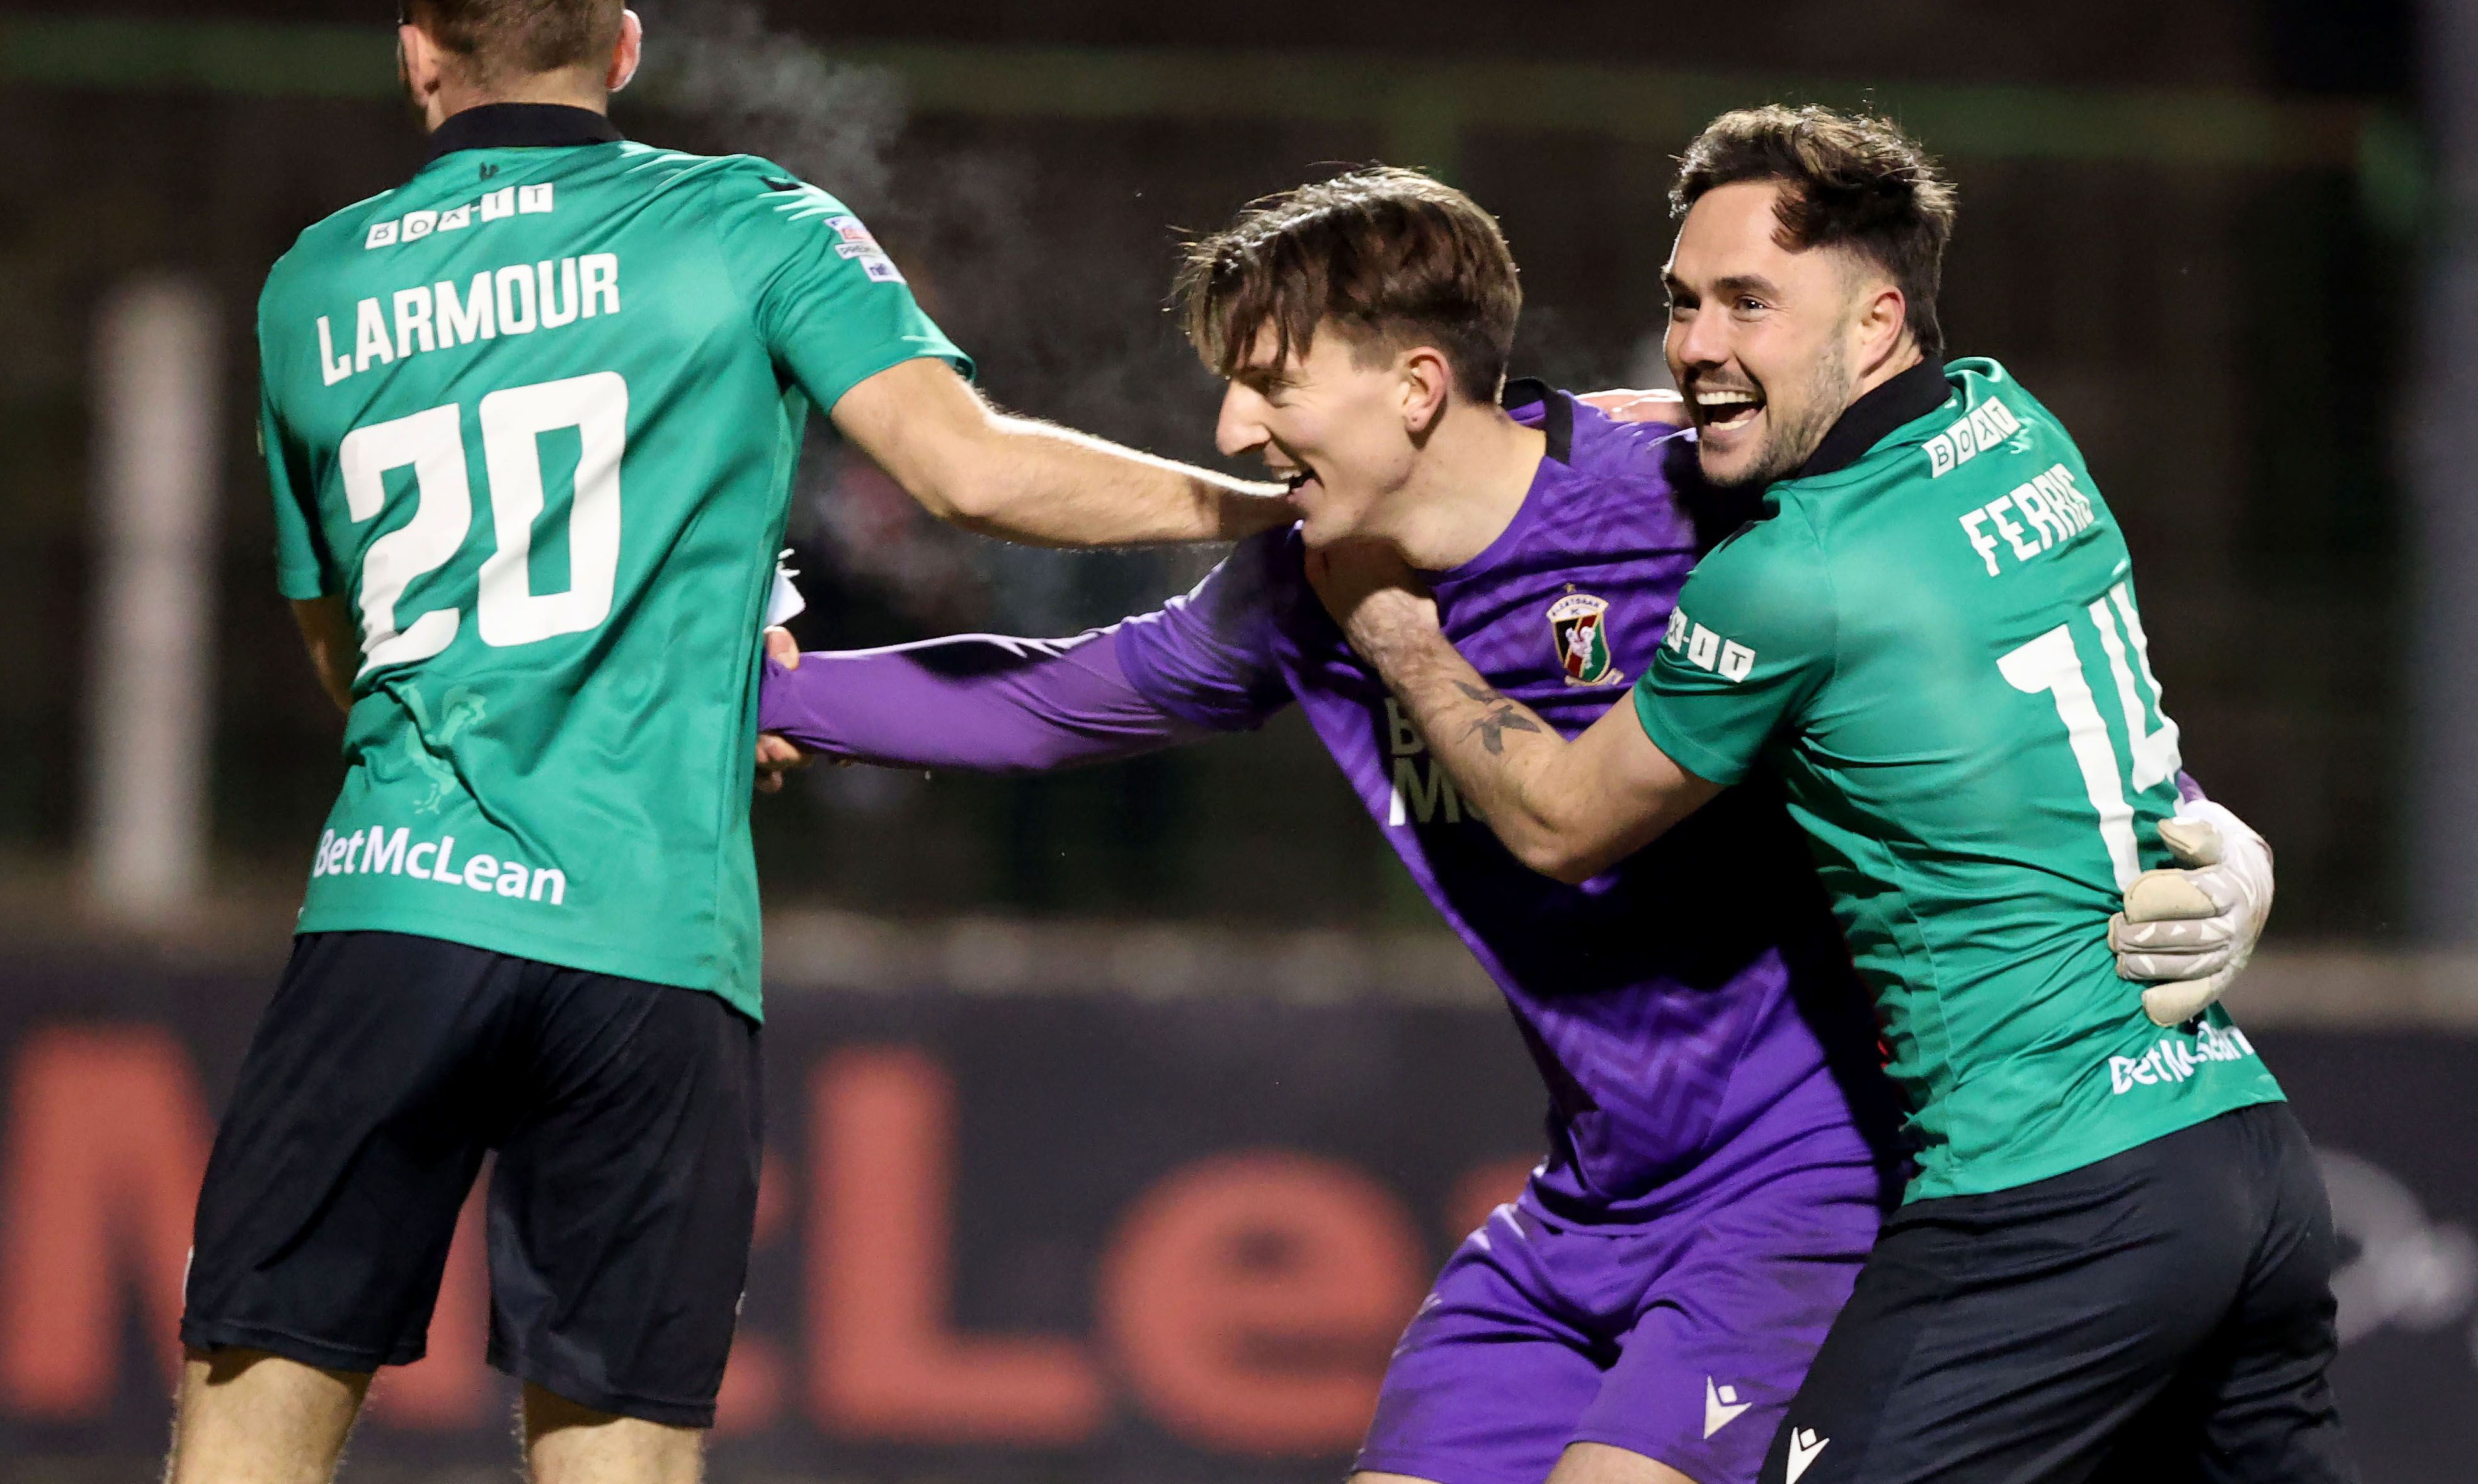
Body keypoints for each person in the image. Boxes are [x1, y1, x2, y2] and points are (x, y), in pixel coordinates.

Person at [756, 167, 2277, 1484]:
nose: (1229, 421)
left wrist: (2203, 830)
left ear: (1416, 385)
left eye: (1269, 380)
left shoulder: (1689, 514)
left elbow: (1967, 672)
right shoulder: (1301, 592)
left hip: (1808, 1188)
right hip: (1585, 1210)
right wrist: (753, 698)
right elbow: (1042, 701)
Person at [175, 0, 1287, 1484]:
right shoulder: (742, 223)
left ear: (417, 47)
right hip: (649, 941)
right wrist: (1278, 505)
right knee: (616, 1445)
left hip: (396, 915)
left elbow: (343, 635)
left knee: (252, 1417)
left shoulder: (313, 285)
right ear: (622, 44)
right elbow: (969, 474)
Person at [1306, 113, 2351, 1482]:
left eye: (1749, 303)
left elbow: (1563, 819)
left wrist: (1393, 635)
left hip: (2039, 1201)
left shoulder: (1789, 577)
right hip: (2239, 1159)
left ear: (1872, 322)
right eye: (1679, 304)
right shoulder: (2014, 427)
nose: (1693, 344)